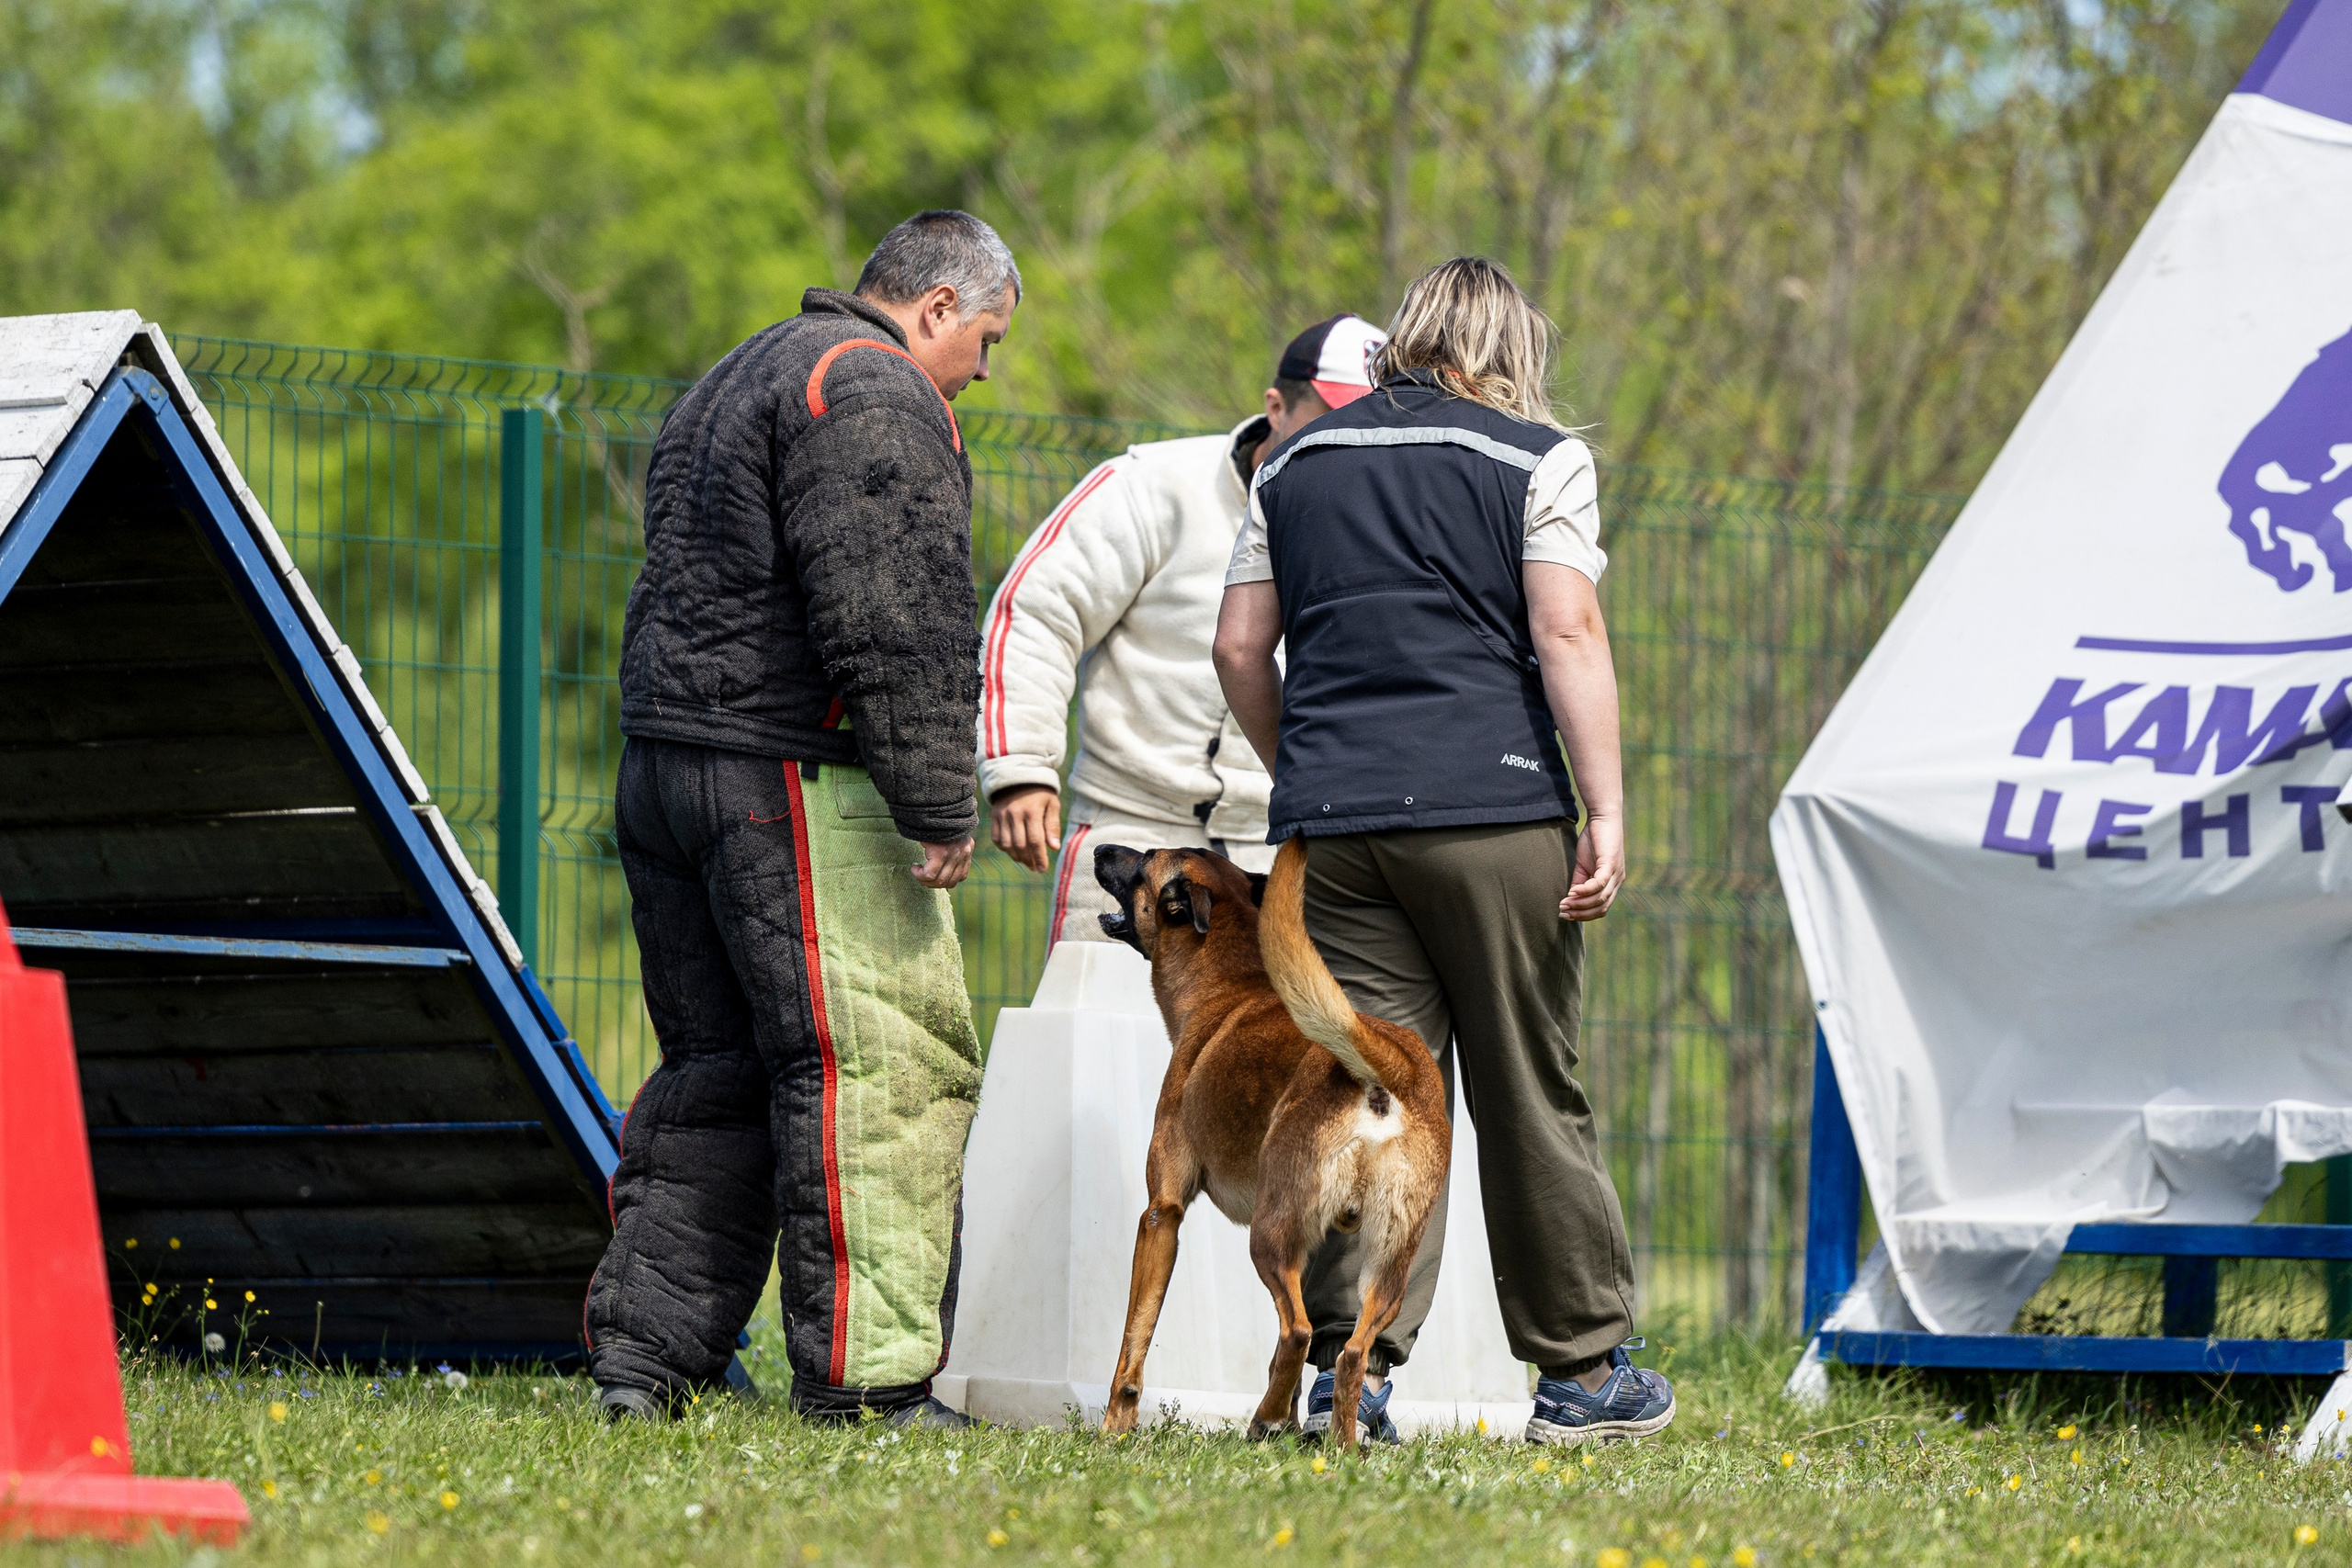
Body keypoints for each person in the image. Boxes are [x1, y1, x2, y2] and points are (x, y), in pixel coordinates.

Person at [1213, 256, 1674, 1445]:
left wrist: (1302, 774)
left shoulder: (1292, 459)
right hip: (1496, 813)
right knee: (1528, 1085)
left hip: (1339, 828)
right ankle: (1582, 1377)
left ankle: (1342, 1377)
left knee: (1369, 1093)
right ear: (1510, 347)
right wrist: (1606, 806)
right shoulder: (1539, 458)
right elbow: (1565, 628)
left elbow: (1237, 647)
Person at [588, 210, 1019, 1428]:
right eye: (983, 339)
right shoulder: (869, 387)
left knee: (716, 1071)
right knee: (880, 1067)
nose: (982, 372)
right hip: (790, 776)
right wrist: (936, 793)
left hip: (667, 762)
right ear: (936, 305)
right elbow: (897, 608)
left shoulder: (744, 368)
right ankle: (868, 1380)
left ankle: (643, 1364)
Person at [979, 315, 1386, 933]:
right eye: (1331, 418)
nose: (1346, 441)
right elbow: (1037, 609)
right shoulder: (1151, 487)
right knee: (1101, 1029)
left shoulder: (1386, 530)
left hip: (1279, 853)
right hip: (1130, 833)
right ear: (1276, 406)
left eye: (1366, 425)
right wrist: (1020, 767)